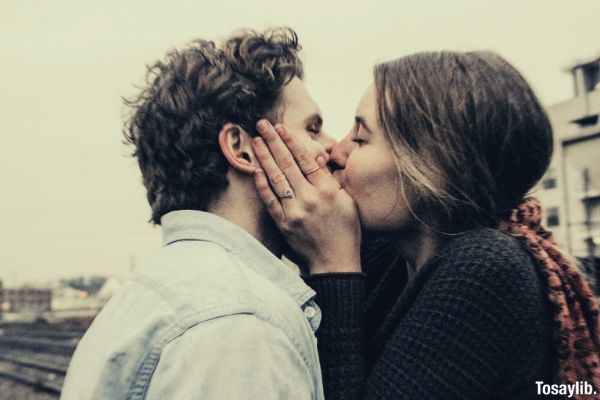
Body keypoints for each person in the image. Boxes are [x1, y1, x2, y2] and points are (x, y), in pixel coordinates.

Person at [250, 51, 600, 399]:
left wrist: (333, 267)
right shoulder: (391, 259)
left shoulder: (486, 269)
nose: (336, 153)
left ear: (431, 167)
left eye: (360, 138)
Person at [61, 27, 335, 400]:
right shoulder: (239, 324)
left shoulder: (146, 294)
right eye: (313, 129)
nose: (332, 149)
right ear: (241, 149)